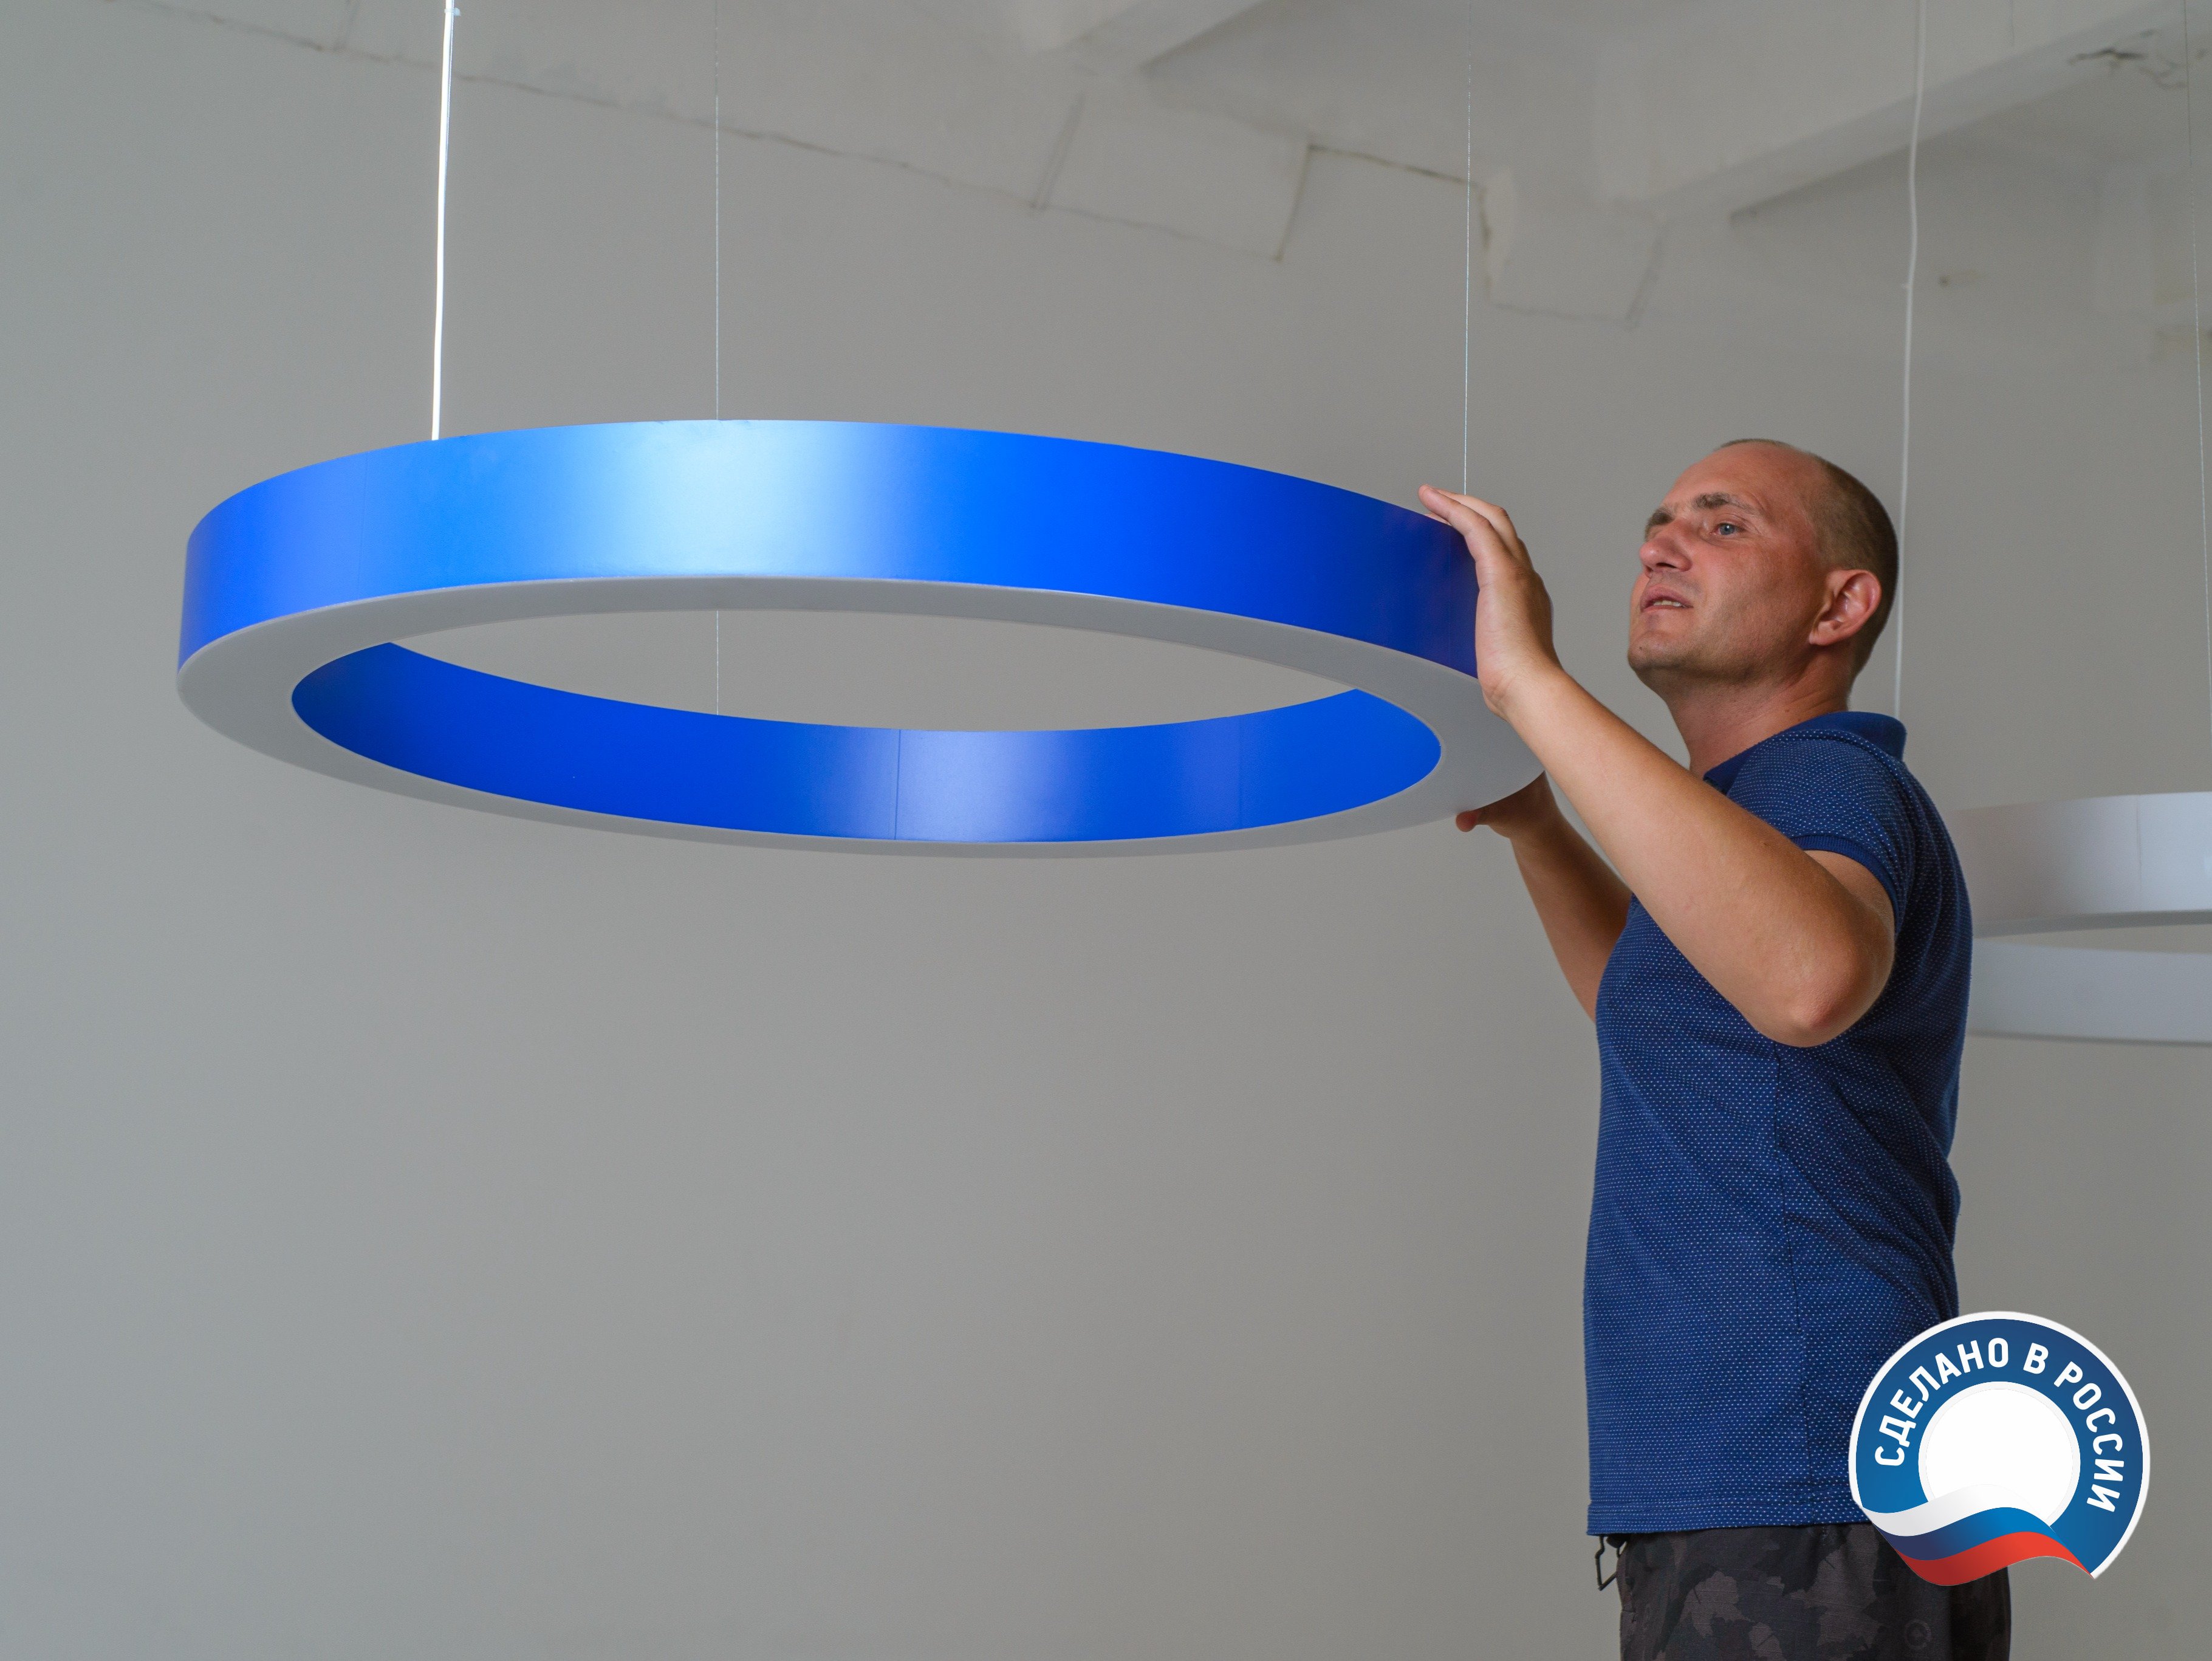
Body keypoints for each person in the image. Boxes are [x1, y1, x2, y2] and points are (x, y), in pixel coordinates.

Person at [1419, 442, 2007, 1661]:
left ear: (1840, 606)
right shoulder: (1747, 815)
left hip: (1809, 1472)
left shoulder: (1828, 774)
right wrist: (1540, 829)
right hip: (1762, 1479)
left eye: (1723, 523)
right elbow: (1667, 1017)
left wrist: (1529, 681)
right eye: (1659, 521)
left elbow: (1804, 980)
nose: (1661, 542)